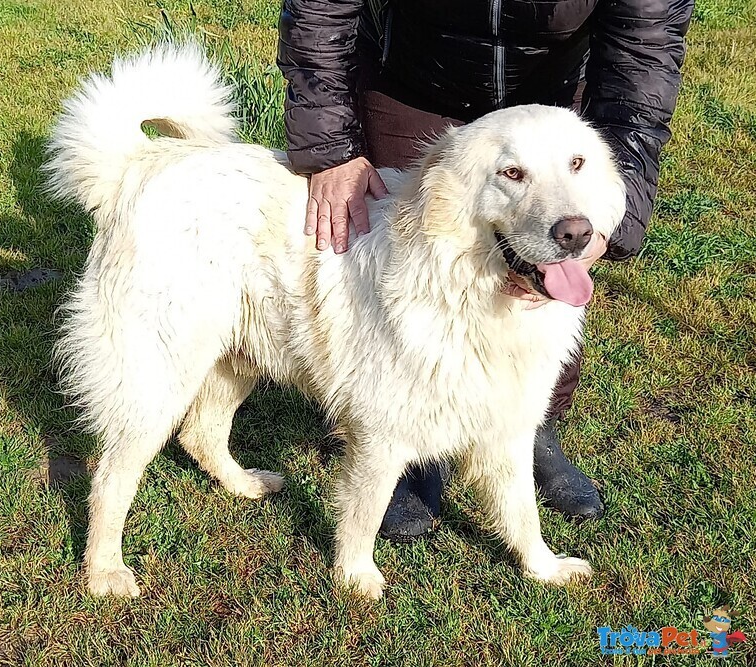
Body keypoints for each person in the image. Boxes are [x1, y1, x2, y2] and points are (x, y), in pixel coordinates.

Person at [277, 0, 694, 542]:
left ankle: (527, 429)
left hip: (551, 83)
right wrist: (330, 147)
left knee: (538, 304)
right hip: (413, 77)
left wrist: (614, 213)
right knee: (410, 278)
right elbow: (321, 8)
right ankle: (403, 435)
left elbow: (645, 52)